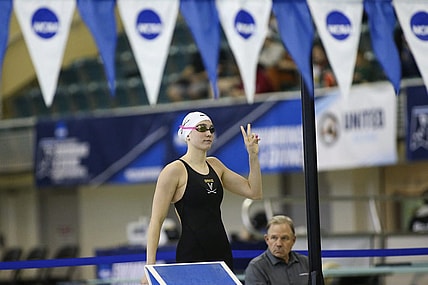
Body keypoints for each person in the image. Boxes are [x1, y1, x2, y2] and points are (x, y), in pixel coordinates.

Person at [141, 111, 262, 284]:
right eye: (202, 128)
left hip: (221, 251)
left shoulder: (215, 165)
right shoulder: (174, 171)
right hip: (192, 253)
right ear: (187, 134)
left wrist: (253, 156)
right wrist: (149, 267)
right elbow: (156, 221)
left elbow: (254, 192)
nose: (208, 133)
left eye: (211, 129)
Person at [245, 215, 309, 285]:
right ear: (267, 239)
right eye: (274, 238)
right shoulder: (256, 268)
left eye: (284, 238)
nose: (279, 244)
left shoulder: (306, 263)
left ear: (293, 240)